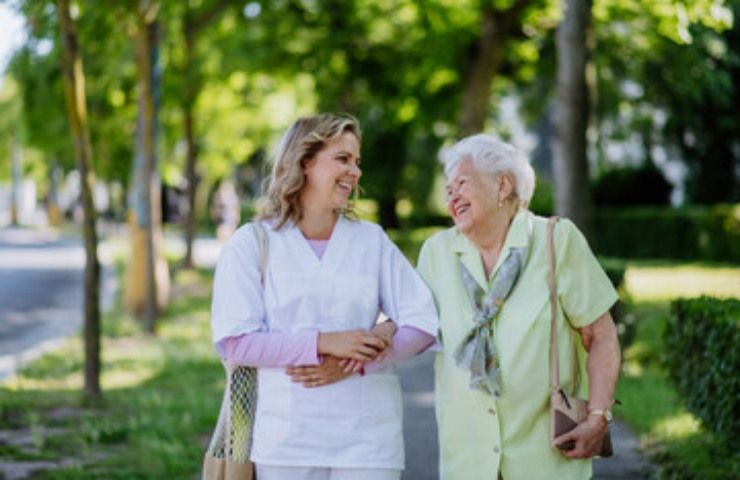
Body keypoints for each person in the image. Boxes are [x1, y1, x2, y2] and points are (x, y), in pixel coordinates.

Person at [210, 113, 438, 480]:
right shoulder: (252, 244)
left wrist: (354, 363)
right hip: (285, 441)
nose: (355, 172)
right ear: (304, 162)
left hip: (369, 440)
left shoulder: (371, 241)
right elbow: (235, 343)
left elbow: (423, 322)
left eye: (357, 162)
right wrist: (325, 343)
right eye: (343, 159)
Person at [416, 134, 621, 480]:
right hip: (467, 462)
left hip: (546, 458)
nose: (452, 197)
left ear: (503, 185)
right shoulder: (437, 253)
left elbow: (600, 336)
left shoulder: (557, 240)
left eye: (462, 184)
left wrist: (598, 417)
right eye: (448, 190)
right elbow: (405, 327)